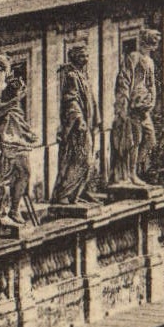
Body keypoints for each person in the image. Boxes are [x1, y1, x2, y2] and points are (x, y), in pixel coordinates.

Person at [0, 54, 36, 229]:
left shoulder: (5, 82)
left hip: (17, 133)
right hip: (6, 135)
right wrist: (16, 99)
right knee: (5, 177)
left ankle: (14, 209)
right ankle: (0, 213)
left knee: (24, 172)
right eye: (7, 66)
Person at [51, 45, 101, 206]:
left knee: (89, 160)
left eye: (87, 56)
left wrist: (97, 119)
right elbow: (70, 100)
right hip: (78, 127)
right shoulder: (72, 76)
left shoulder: (83, 74)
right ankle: (64, 194)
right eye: (82, 57)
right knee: (82, 160)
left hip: (89, 123)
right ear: (74, 58)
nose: (86, 59)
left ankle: (78, 194)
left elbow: (91, 98)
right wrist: (79, 120)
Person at [110, 28, 161, 186]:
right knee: (134, 140)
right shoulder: (134, 57)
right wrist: (124, 105)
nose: (155, 44)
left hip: (144, 105)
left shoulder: (150, 61)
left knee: (150, 139)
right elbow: (124, 80)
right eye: (153, 41)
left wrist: (152, 100)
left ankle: (133, 170)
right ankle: (130, 174)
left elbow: (151, 84)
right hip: (133, 105)